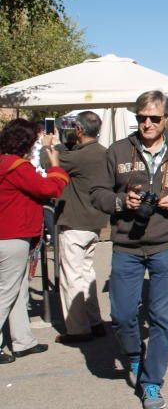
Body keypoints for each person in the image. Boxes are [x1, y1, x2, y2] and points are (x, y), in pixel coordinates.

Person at [90, 91, 168, 409]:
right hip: (127, 244)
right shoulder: (117, 151)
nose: (147, 123)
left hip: (167, 244)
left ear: (166, 119)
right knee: (123, 314)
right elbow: (97, 192)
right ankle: (133, 356)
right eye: (141, 117)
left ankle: (152, 381)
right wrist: (119, 201)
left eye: (154, 118)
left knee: (161, 317)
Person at [0, 119, 69, 364]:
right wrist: (55, 166)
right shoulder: (17, 166)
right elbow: (48, 188)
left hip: (8, 234)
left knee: (17, 290)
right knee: (7, 292)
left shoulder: (4, 162)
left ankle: (22, 341)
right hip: (12, 235)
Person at [54, 110, 110, 344]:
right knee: (87, 273)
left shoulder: (79, 156)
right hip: (94, 221)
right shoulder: (104, 153)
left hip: (75, 221)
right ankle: (94, 321)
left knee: (72, 276)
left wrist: (54, 144)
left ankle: (77, 328)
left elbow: (51, 162)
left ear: (78, 129)